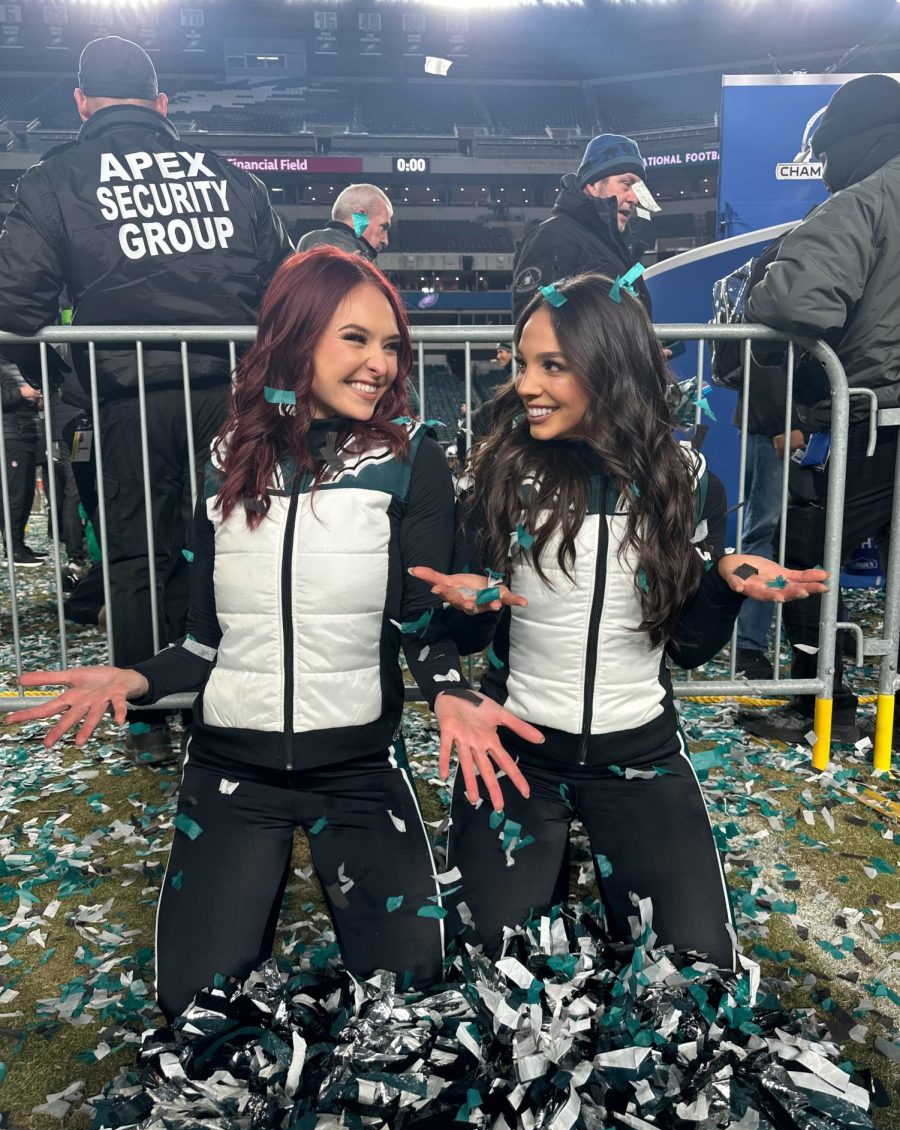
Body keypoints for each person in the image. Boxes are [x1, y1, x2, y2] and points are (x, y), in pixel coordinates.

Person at [5, 247, 540, 1021]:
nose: (380, 364)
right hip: (231, 774)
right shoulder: (225, 456)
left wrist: (452, 682)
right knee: (195, 1020)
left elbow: (421, 620)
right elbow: (202, 646)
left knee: (413, 1013)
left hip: (358, 769)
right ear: (295, 336)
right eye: (355, 339)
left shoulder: (412, 459)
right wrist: (135, 680)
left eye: (391, 345)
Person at [412, 274, 827, 964]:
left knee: (695, 979)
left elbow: (689, 649)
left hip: (641, 757)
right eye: (522, 363)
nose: (526, 386)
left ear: (611, 368)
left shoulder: (689, 480)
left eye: (552, 365)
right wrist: (468, 610)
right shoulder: (498, 474)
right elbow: (471, 632)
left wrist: (723, 585)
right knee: (484, 972)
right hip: (516, 756)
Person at [0, 35, 292, 763]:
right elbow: (288, 287)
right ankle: (228, 696)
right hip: (229, 391)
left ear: (80, 103)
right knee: (235, 542)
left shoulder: (55, 177)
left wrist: (64, 368)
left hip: (121, 395)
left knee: (134, 555)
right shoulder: (231, 177)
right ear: (163, 106)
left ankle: (145, 717)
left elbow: (14, 303)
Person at [738, 73, 900, 743]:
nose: (824, 173)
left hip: (875, 417)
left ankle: (821, 706)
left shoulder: (864, 202)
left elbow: (793, 302)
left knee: (809, 550)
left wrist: (766, 276)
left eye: (827, 156)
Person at [510, 134, 653, 322]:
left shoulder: (622, 250)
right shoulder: (554, 236)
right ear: (592, 185)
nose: (635, 199)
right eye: (626, 185)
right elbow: (537, 319)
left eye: (638, 189)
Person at [0, 360, 43, 567]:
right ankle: (13, 549)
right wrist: (22, 393)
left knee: (24, 494)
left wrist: (34, 399)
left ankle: (19, 545)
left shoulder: (16, 365)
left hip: (26, 435)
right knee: (14, 496)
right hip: (10, 438)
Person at [297, 183, 393, 261]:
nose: (385, 241)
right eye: (383, 228)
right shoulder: (345, 257)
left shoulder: (310, 242)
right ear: (360, 218)